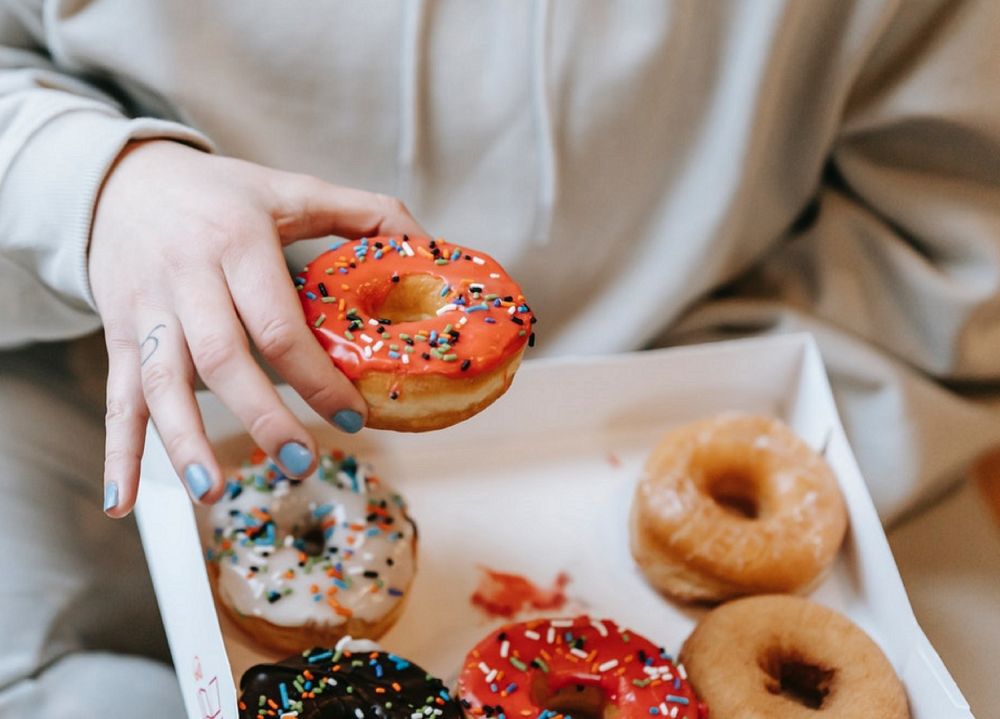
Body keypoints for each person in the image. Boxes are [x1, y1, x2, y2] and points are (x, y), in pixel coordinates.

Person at [2, 1, 998, 715]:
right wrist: (95, 184)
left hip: (767, 392)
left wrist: (671, 411)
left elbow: (953, 231)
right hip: (86, 392)